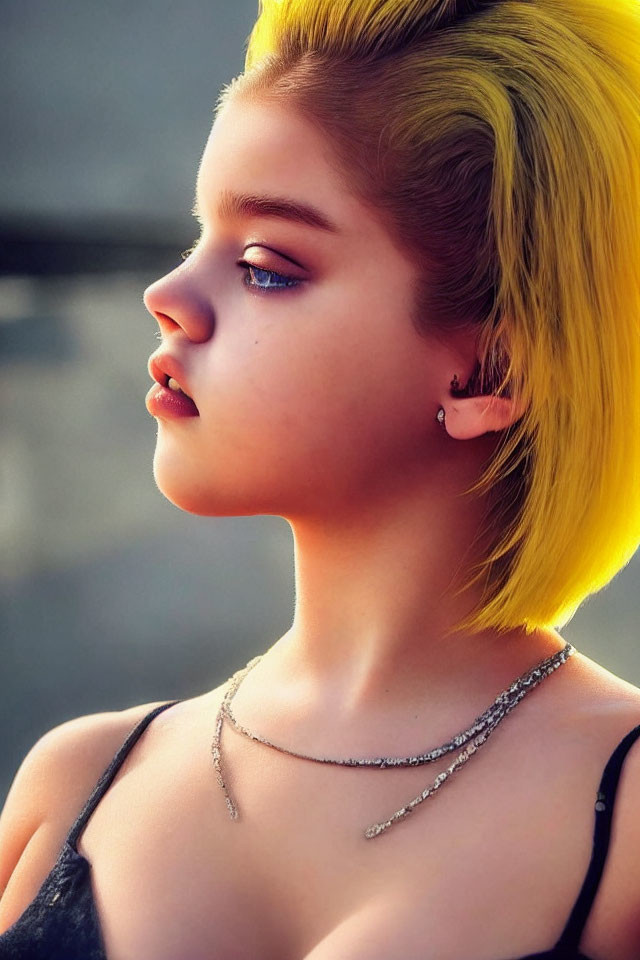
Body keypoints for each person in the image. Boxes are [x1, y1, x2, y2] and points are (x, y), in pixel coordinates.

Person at [1, 0, 640, 957]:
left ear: (489, 374)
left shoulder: (627, 817)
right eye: (197, 238)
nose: (166, 297)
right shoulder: (78, 779)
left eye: (264, 265)